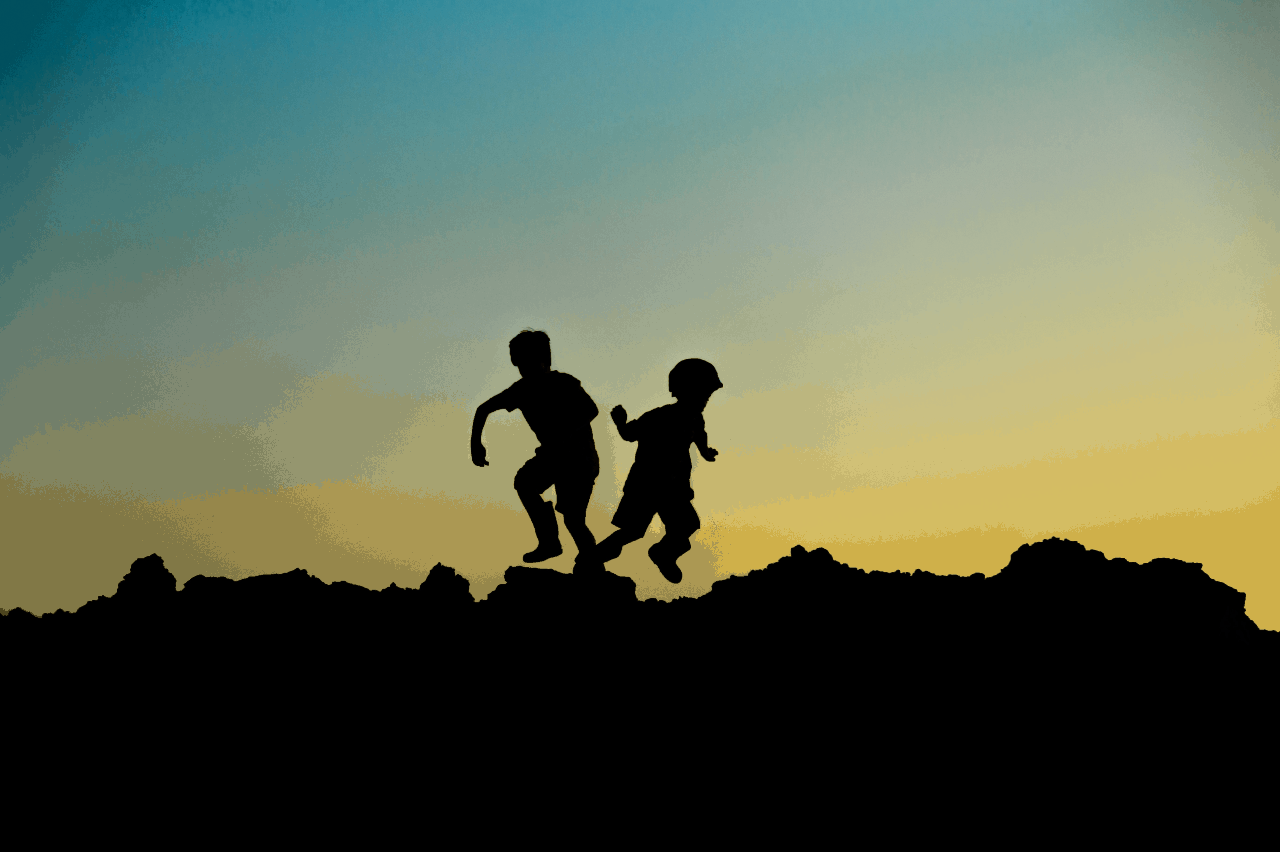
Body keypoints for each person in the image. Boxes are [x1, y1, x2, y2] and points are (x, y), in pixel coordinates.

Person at [471, 330, 600, 569]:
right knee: (525, 482)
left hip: (580, 461)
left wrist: (566, 432)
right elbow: (483, 409)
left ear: (544, 359)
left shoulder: (563, 383)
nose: (525, 369)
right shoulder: (521, 390)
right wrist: (476, 445)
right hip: (554, 458)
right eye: (520, 364)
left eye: (530, 362)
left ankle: (592, 565)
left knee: (573, 520)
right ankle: (550, 542)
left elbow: (591, 409)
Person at [594, 358, 722, 584]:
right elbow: (630, 434)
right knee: (632, 531)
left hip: (673, 488)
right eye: (702, 394)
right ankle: (592, 558)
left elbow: (699, 434)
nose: (704, 401)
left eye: (707, 396)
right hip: (645, 486)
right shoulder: (659, 417)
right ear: (682, 391)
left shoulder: (695, 419)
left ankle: (664, 553)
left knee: (687, 525)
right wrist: (621, 423)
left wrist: (704, 451)